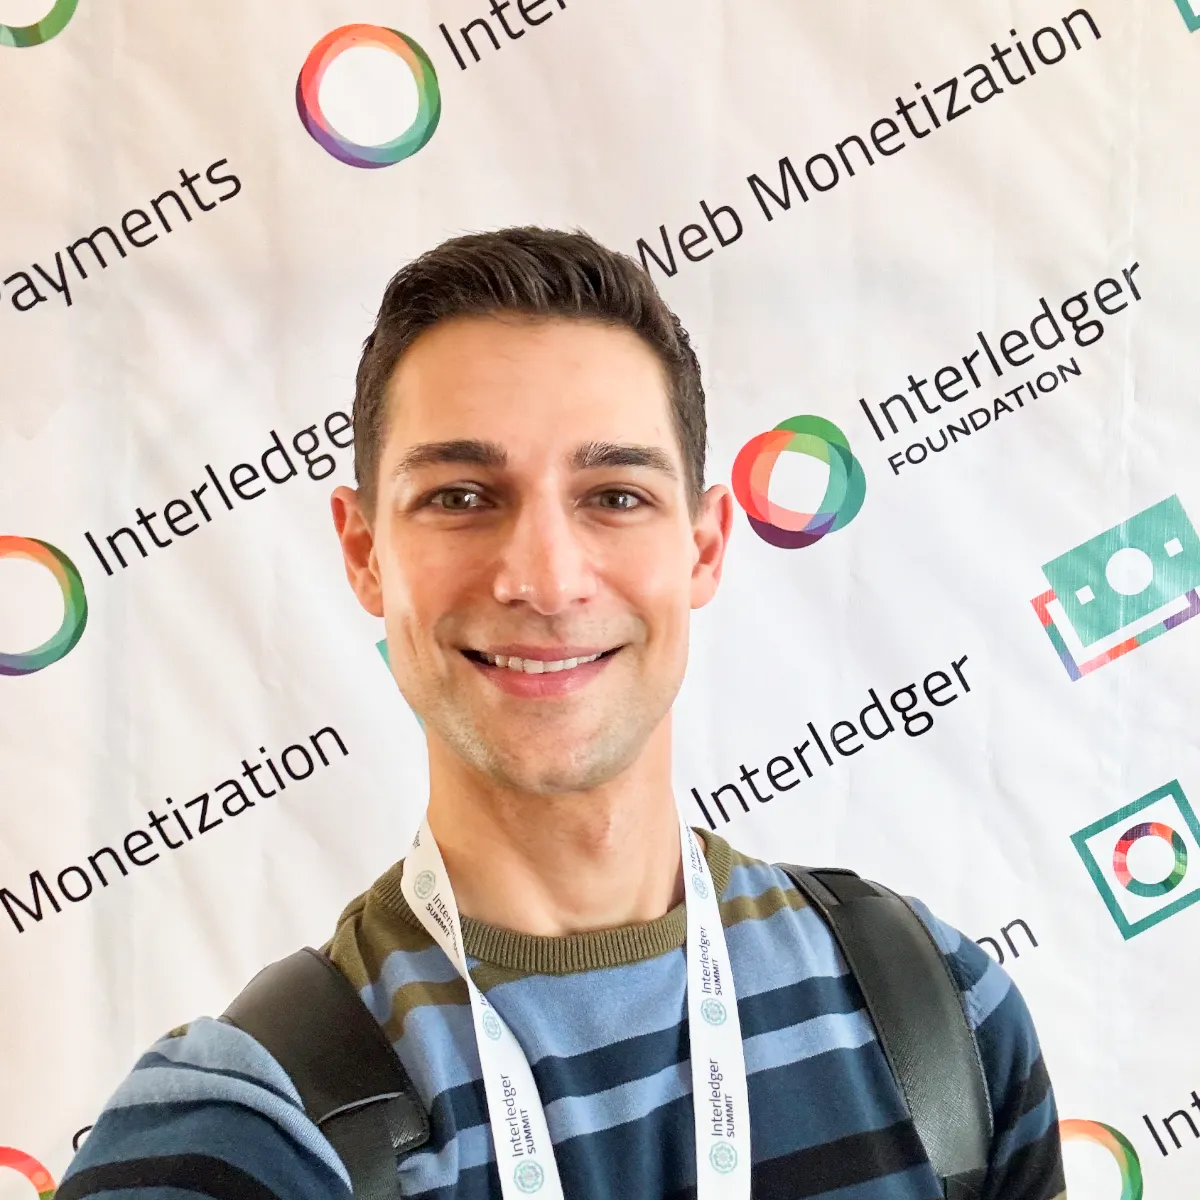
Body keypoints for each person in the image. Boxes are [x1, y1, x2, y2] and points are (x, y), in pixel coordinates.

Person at [59, 228, 1065, 1200]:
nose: (544, 578)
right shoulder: (247, 1132)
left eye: (615, 495)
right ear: (365, 552)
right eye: (460, 496)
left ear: (705, 547)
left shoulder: (938, 1017)